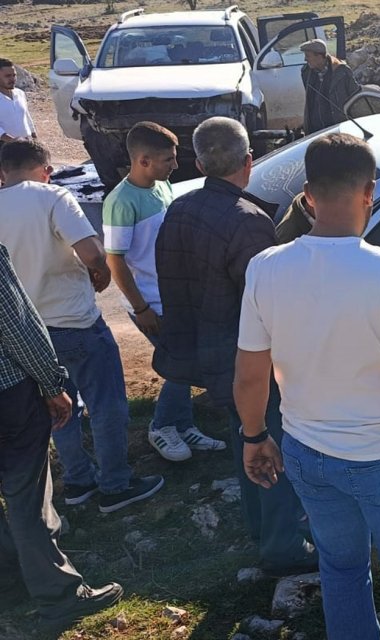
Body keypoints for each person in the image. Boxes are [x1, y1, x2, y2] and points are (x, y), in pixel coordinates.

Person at [235, 132, 380, 640]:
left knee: (340, 568)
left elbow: (251, 374)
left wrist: (254, 435)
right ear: (370, 191)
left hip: (311, 455)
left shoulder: (265, 268)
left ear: (307, 194)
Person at [154, 117, 316, 576]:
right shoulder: (248, 222)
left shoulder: (180, 209)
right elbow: (269, 300)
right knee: (269, 446)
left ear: (200, 162)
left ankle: (261, 530)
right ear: (248, 161)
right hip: (248, 361)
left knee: (247, 440)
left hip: (204, 355)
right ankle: (283, 547)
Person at [0, 141, 164, 514]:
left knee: (59, 407)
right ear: (46, 170)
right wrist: (101, 273)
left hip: (25, 333)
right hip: (75, 322)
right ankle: (115, 484)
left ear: (3, 173)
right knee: (106, 404)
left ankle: (77, 480)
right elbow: (91, 252)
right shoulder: (54, 197)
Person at [0, 241, 125, 631]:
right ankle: (58, 594)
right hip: (8, 396)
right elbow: (18, 325)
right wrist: (53, 382)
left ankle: (10, 579)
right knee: (26, 497)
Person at [104, 122, 226, 462]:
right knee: (181, 364)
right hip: (152, 303)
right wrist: (141, 308)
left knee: (184, 362)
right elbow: (115, 261)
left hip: (175, 296)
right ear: (143, 160)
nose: (175, 166)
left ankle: (183, 425)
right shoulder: (120, 202)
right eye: (168, 160)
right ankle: (161, 428)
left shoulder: (162, 187)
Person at [300, 40, 360, 135]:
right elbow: (310, 101)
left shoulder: (342, 71)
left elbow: (356, 100)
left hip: (339, 129)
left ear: (319, 56)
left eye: (308, 56)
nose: (305, 59)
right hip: (316, 131)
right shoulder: (306, 72)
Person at [0, 59, 36, 144]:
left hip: (25, 144)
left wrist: (34, 136)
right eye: (8, 76)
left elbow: (26, 117)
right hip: (4, 147)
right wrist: (13, 141)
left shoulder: (20, 93)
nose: (12, 79)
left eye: (14, 75)